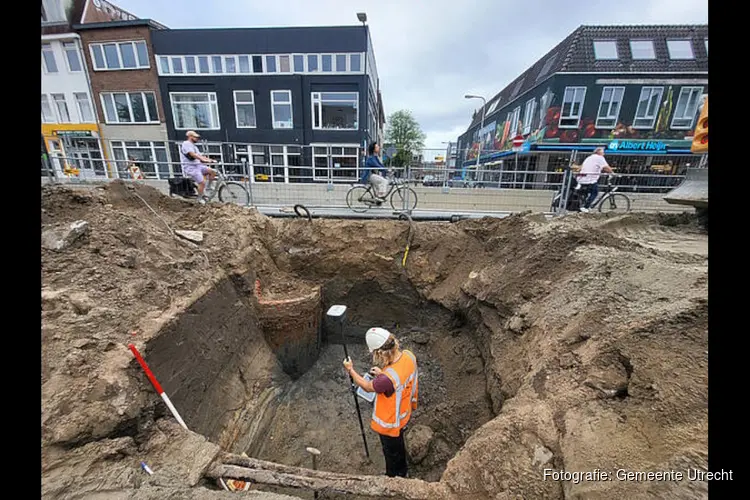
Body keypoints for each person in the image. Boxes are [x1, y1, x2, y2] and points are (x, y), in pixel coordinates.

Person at [343, 327, 418, 478]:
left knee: (391, 452)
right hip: (404, 413)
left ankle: (394, 476)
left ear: (381, 353)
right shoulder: (409, 356)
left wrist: (350, 370)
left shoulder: (386, 379)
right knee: (398, 447)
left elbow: (367, 386)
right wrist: (382, 373)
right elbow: (397, 375)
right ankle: (402, 470)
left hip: (391, 424)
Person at [180, 130, 217, 204]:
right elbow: (193, 154)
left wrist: (210, 160)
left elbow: (200, 156)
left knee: (212, 171)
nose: (197, 139)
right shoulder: (186, 144)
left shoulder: (194, 146)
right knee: (202, 182)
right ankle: (199, 199)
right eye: (195, 137)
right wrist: (203, 159)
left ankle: (208, 187)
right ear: (190, 137)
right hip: (191, 167)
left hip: (198, 165)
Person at [576, 147, 614, 212]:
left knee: (586, 193)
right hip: (590, 180)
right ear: (599, 152)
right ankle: (585, 207)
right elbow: (606, 167)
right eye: (603, 152)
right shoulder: (599, 158)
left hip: (581, 179)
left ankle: (584, 205)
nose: (604, 154)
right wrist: (613, 173)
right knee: (595, 192)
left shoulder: (589, 157)